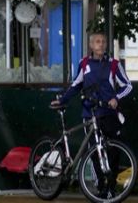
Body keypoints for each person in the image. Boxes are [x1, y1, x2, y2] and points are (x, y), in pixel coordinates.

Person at [52, 31, 132, 197]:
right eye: (97, 41)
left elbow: (128, 86)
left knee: (113, 150)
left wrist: (116, 98)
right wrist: (63, 101)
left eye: (103, 41)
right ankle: (101, 186)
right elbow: (76, 85)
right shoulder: (84, 63)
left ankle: (111, 186)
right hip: (90, 113)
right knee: (94, 152)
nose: (101, 44)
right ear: (91, 45)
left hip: (109, 113)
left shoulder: (114, 64)